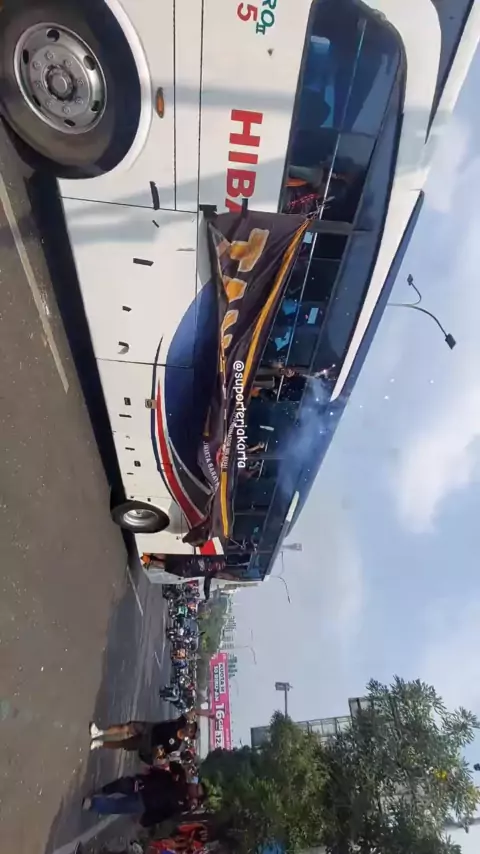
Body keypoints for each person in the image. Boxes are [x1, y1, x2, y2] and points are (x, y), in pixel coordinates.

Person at [82, 765, 206, 827]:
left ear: (195, 797)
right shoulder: (181, 777)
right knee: (119, 785)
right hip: (143, 784)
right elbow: (166, 771)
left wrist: (145, 821)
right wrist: (152, 770)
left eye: (196, 790)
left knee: (117, 806)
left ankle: (92, 804)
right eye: (196, 786)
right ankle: (99, 791)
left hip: (144, 802)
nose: (194, 787)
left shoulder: (180, 805)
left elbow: (162, 815)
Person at [89, 712, 201, 757]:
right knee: (126, 727)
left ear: (190, 736)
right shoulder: (181, 722)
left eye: (192, 731)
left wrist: (157, 753)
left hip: (148, 742)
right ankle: (99, 732)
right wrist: (204, 713)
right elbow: (193, 711)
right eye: (192, 726)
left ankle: (99, 743)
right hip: (149, 728)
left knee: (122, 743)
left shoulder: (176, 745)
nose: (189, 728)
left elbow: (162, 754)